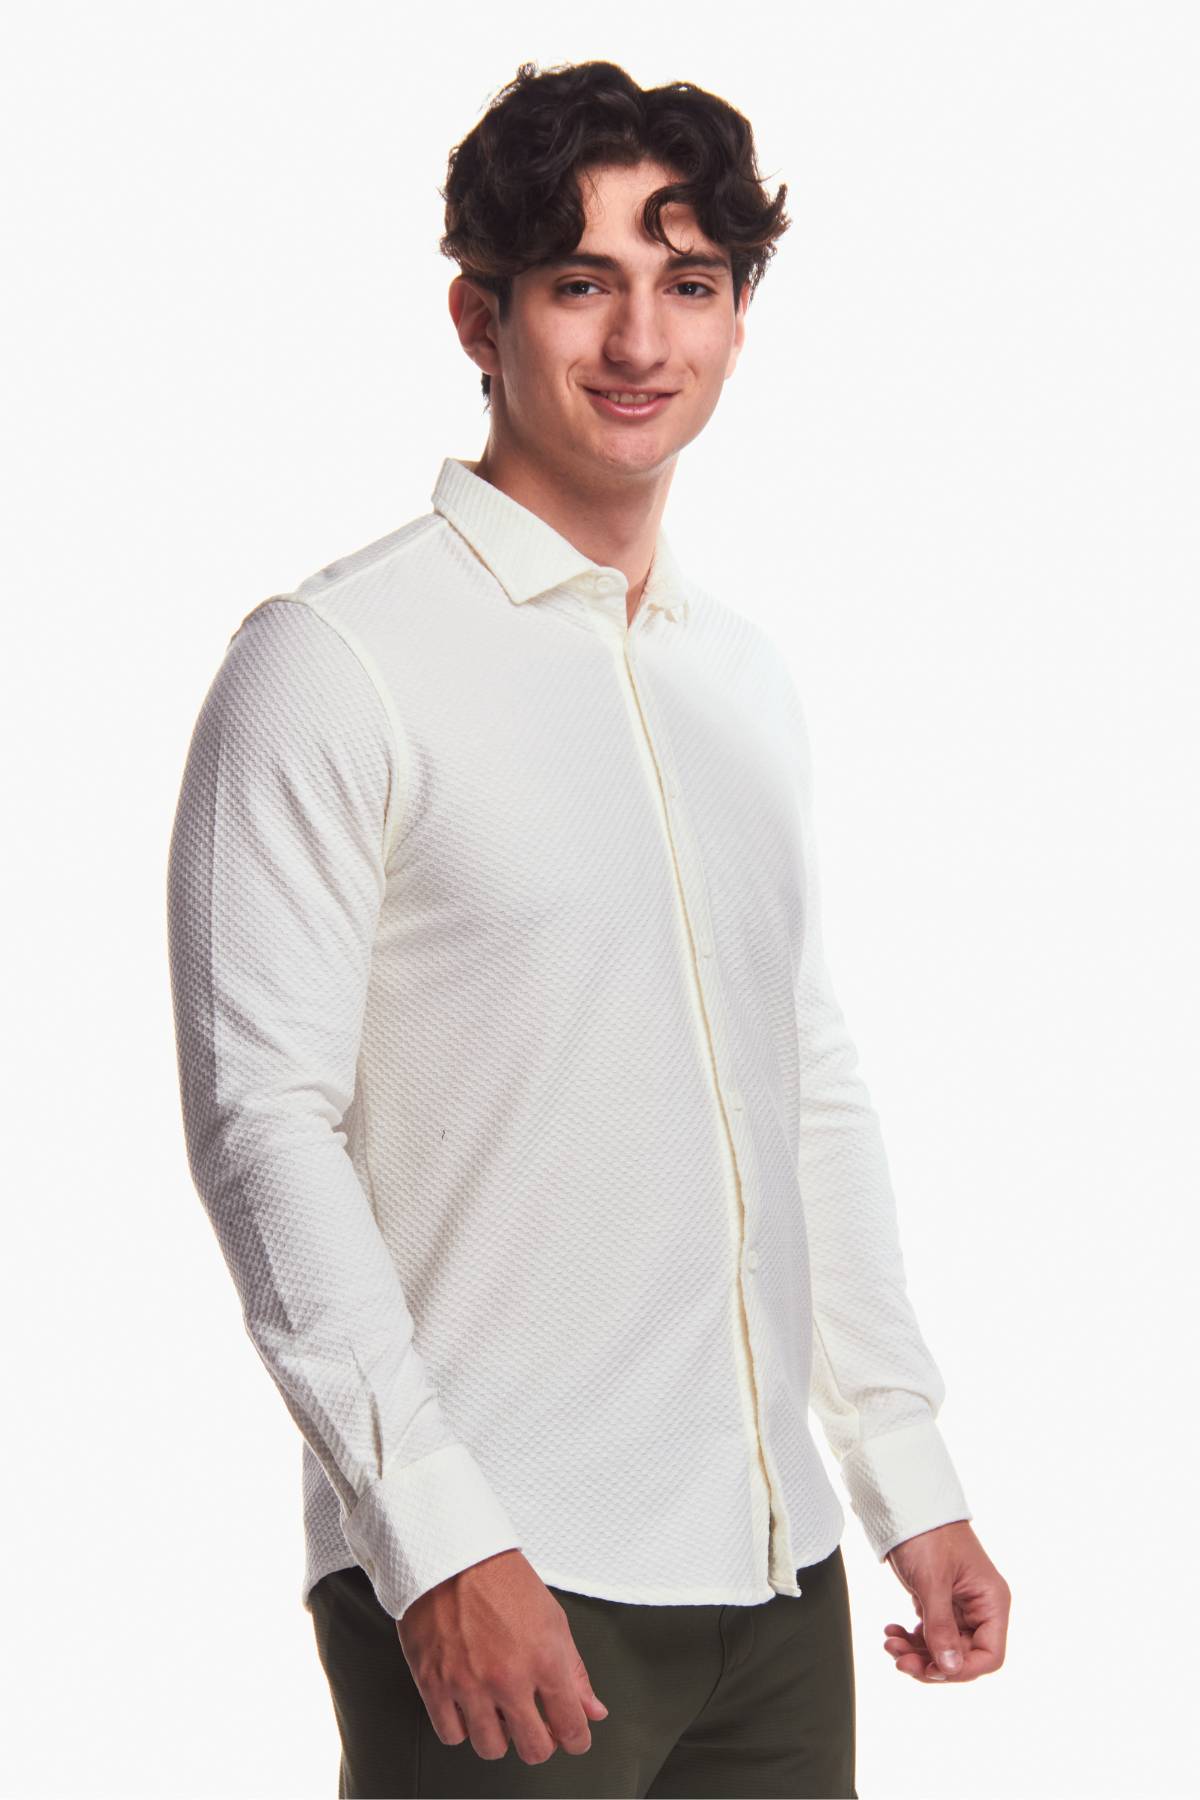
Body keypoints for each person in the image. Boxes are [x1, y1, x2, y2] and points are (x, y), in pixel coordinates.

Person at [166, 57, 1010, 1800]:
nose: (639, 340)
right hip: (507, 1575)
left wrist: (902, 1471)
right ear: (479, 317)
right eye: (580, 282)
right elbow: (263, 1126)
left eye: (686, 282)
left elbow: (803, 1083)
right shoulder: (332, 664)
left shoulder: (739, 681)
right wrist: (435, 1536)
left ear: (739, 318)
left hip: (773, 1570)